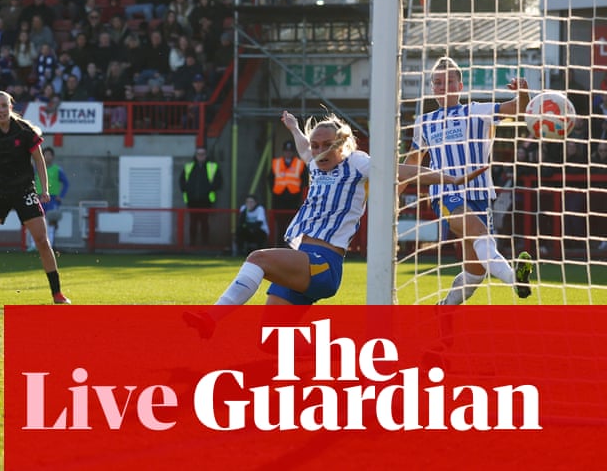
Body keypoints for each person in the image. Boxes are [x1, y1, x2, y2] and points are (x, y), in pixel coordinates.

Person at [187, 111, 489, 324]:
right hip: (300, 259)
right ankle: (336, 358)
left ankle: (211, 318)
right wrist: (293, 127)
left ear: (342, 145)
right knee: (273, 343)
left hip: (322, 264)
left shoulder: (358, 163)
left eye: (327, 145)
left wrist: (451, 179)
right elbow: (305, 147)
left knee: (258, 258)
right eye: (317, 145)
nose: (319, 150)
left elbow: (400, 171)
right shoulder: (316, 164)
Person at [404, 56, 533, 304]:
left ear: (460, 86)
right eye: (438, 82)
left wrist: (524, 94)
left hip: (480, 195)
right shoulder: (424, 122)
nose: (443, 87)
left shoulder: (476, 111)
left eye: (449, 81)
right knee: (478, 231)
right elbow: (411, 164)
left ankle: (444, 309)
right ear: (432, 88)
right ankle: (516, 281)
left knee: (476, 272)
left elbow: (517, 108)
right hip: (444, 193)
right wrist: (393, 193)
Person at [0, 90, 71, 304]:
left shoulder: (25, 131)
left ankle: (57, 293)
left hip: (24, 192)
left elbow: (40, 161)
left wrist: (45, 190)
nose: (1, 110)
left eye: (4, 105)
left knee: (42, 240)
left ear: (10, 106)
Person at [26, 146, 70, 252]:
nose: (47, 157)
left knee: (51, 222)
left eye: (49, 155)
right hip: (38, 197)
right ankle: (33, 245)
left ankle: (48, 245)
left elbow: (66, 183)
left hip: (52, 198)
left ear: (53, 157)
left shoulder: (57, 170)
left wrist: (61, 196)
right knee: (35, 221)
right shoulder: (36, 169)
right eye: (45, 154)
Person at [181, 146, 221, 248]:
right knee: (192, 223)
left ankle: (205, 244)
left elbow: (218, 182)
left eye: (202, 154)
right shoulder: (188, 166)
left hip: (206, 200)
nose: (200, 156)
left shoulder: (213, 166)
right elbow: (182, 181)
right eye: (198, 154)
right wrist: (187, 190)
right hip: (192, 200)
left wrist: (208, 190)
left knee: (205, 223)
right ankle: (192, 244)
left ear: (206, 155)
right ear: (195, 155)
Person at [269, 139, 308, 243]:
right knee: (280, 224)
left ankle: (291, 245)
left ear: (293, 152)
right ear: (283, 152)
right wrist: (274, 191)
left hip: (294, 199)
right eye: (286, 151)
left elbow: (305, 181)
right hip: (279, 198)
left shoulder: (300, 164)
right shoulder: (276, 163)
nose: (288, 153)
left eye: (290, 151)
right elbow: (270, 180)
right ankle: (280, 244)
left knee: (293, 223)